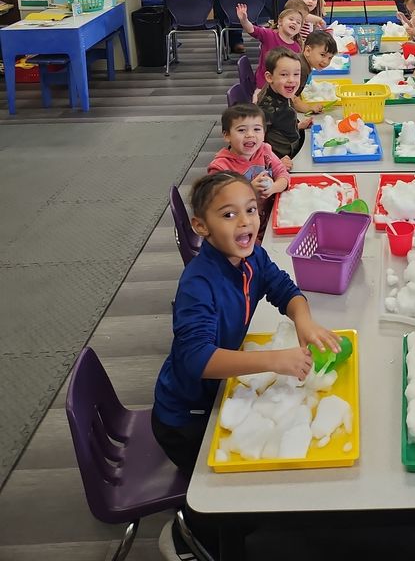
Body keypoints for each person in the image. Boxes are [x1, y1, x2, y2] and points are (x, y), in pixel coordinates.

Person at [153, 172, 339, 560]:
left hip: (219, 395)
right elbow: (197, 360)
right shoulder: (197, 284)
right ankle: (187, 534)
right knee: (228, 497)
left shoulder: (250, 254)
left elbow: (283, 288)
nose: (246, 222)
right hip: (187, 415)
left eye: (251, 210)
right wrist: (275, 360)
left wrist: (302, 319)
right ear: (201, 227)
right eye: (229, 214)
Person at [208, 103, 289, 238]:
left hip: (269, 219)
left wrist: (274, 187)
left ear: (264, 133)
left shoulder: (264, 151)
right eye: (241, 130)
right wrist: (249, 189)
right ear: (227, 135)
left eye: (257, 129)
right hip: (240, 230)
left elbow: (283, 174)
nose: (250, 135)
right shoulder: (220, 167)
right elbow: (220, 205)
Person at [256, 48, 306, 169]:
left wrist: (297, 127)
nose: (292, 80)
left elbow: (278, 125)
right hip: (280, 165)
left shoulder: (280, 91)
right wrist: (273, 163)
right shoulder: (266, 109)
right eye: (284, 74)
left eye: (296, 74)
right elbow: (253, 145)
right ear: (269, 77)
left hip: (292, 152)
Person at [237, 3, 303, 89]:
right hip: (264, 84)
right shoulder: (269, 35)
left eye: (298, 22)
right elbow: (252, 29)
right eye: (291, 19)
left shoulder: (296, 48)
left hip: (284, 86)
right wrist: (244, 20)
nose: (294, 22)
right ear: (280, 21)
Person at [294, 29, 339, 116]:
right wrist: (309, 108)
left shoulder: (304, 62)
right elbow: (292, 98)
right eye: (322, 55)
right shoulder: (301, 68)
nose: (326, 61)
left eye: (330, 58)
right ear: (308, 51)